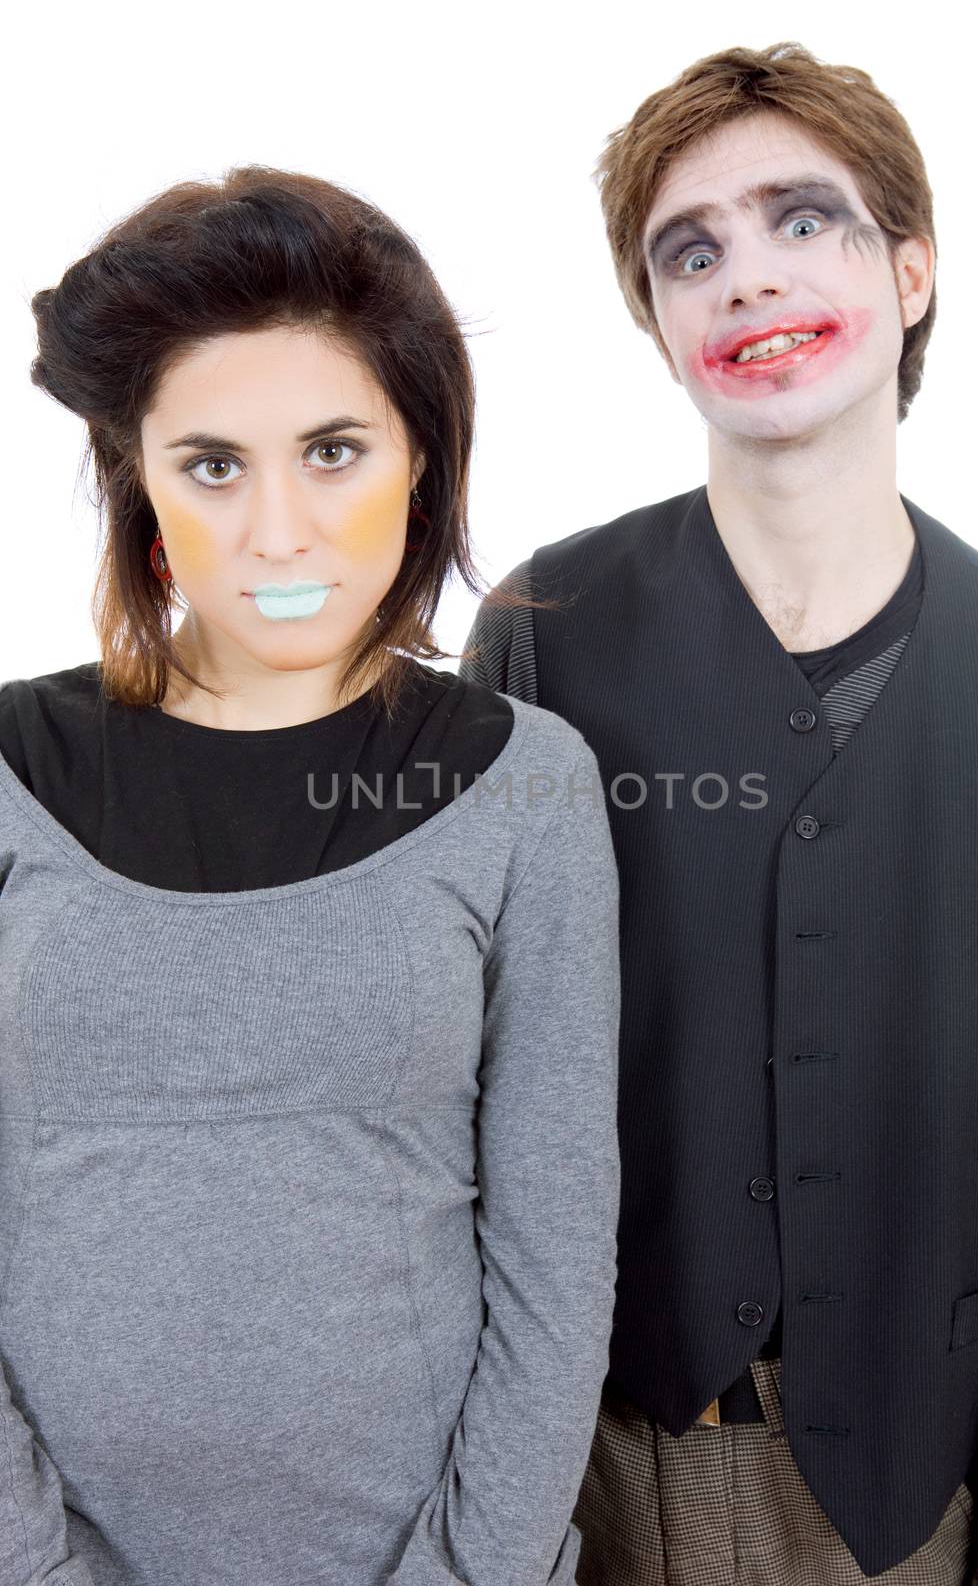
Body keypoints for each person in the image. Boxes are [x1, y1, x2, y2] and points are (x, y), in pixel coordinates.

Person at [460, 40, 978, 1586]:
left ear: (912, 273)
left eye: (805, 220)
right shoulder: (546, 631)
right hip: (582, 1469)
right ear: (658, 324)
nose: (746, 275)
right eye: (691, 250)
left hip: (919, 1490)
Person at [0, 164, 622, 1586]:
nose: (277, 529)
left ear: (421, 458)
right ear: (141, 487)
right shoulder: (10, 764)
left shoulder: (526, 780)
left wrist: (471, 1573)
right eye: (213, 463)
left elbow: (554, 1241)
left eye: (333, 450)